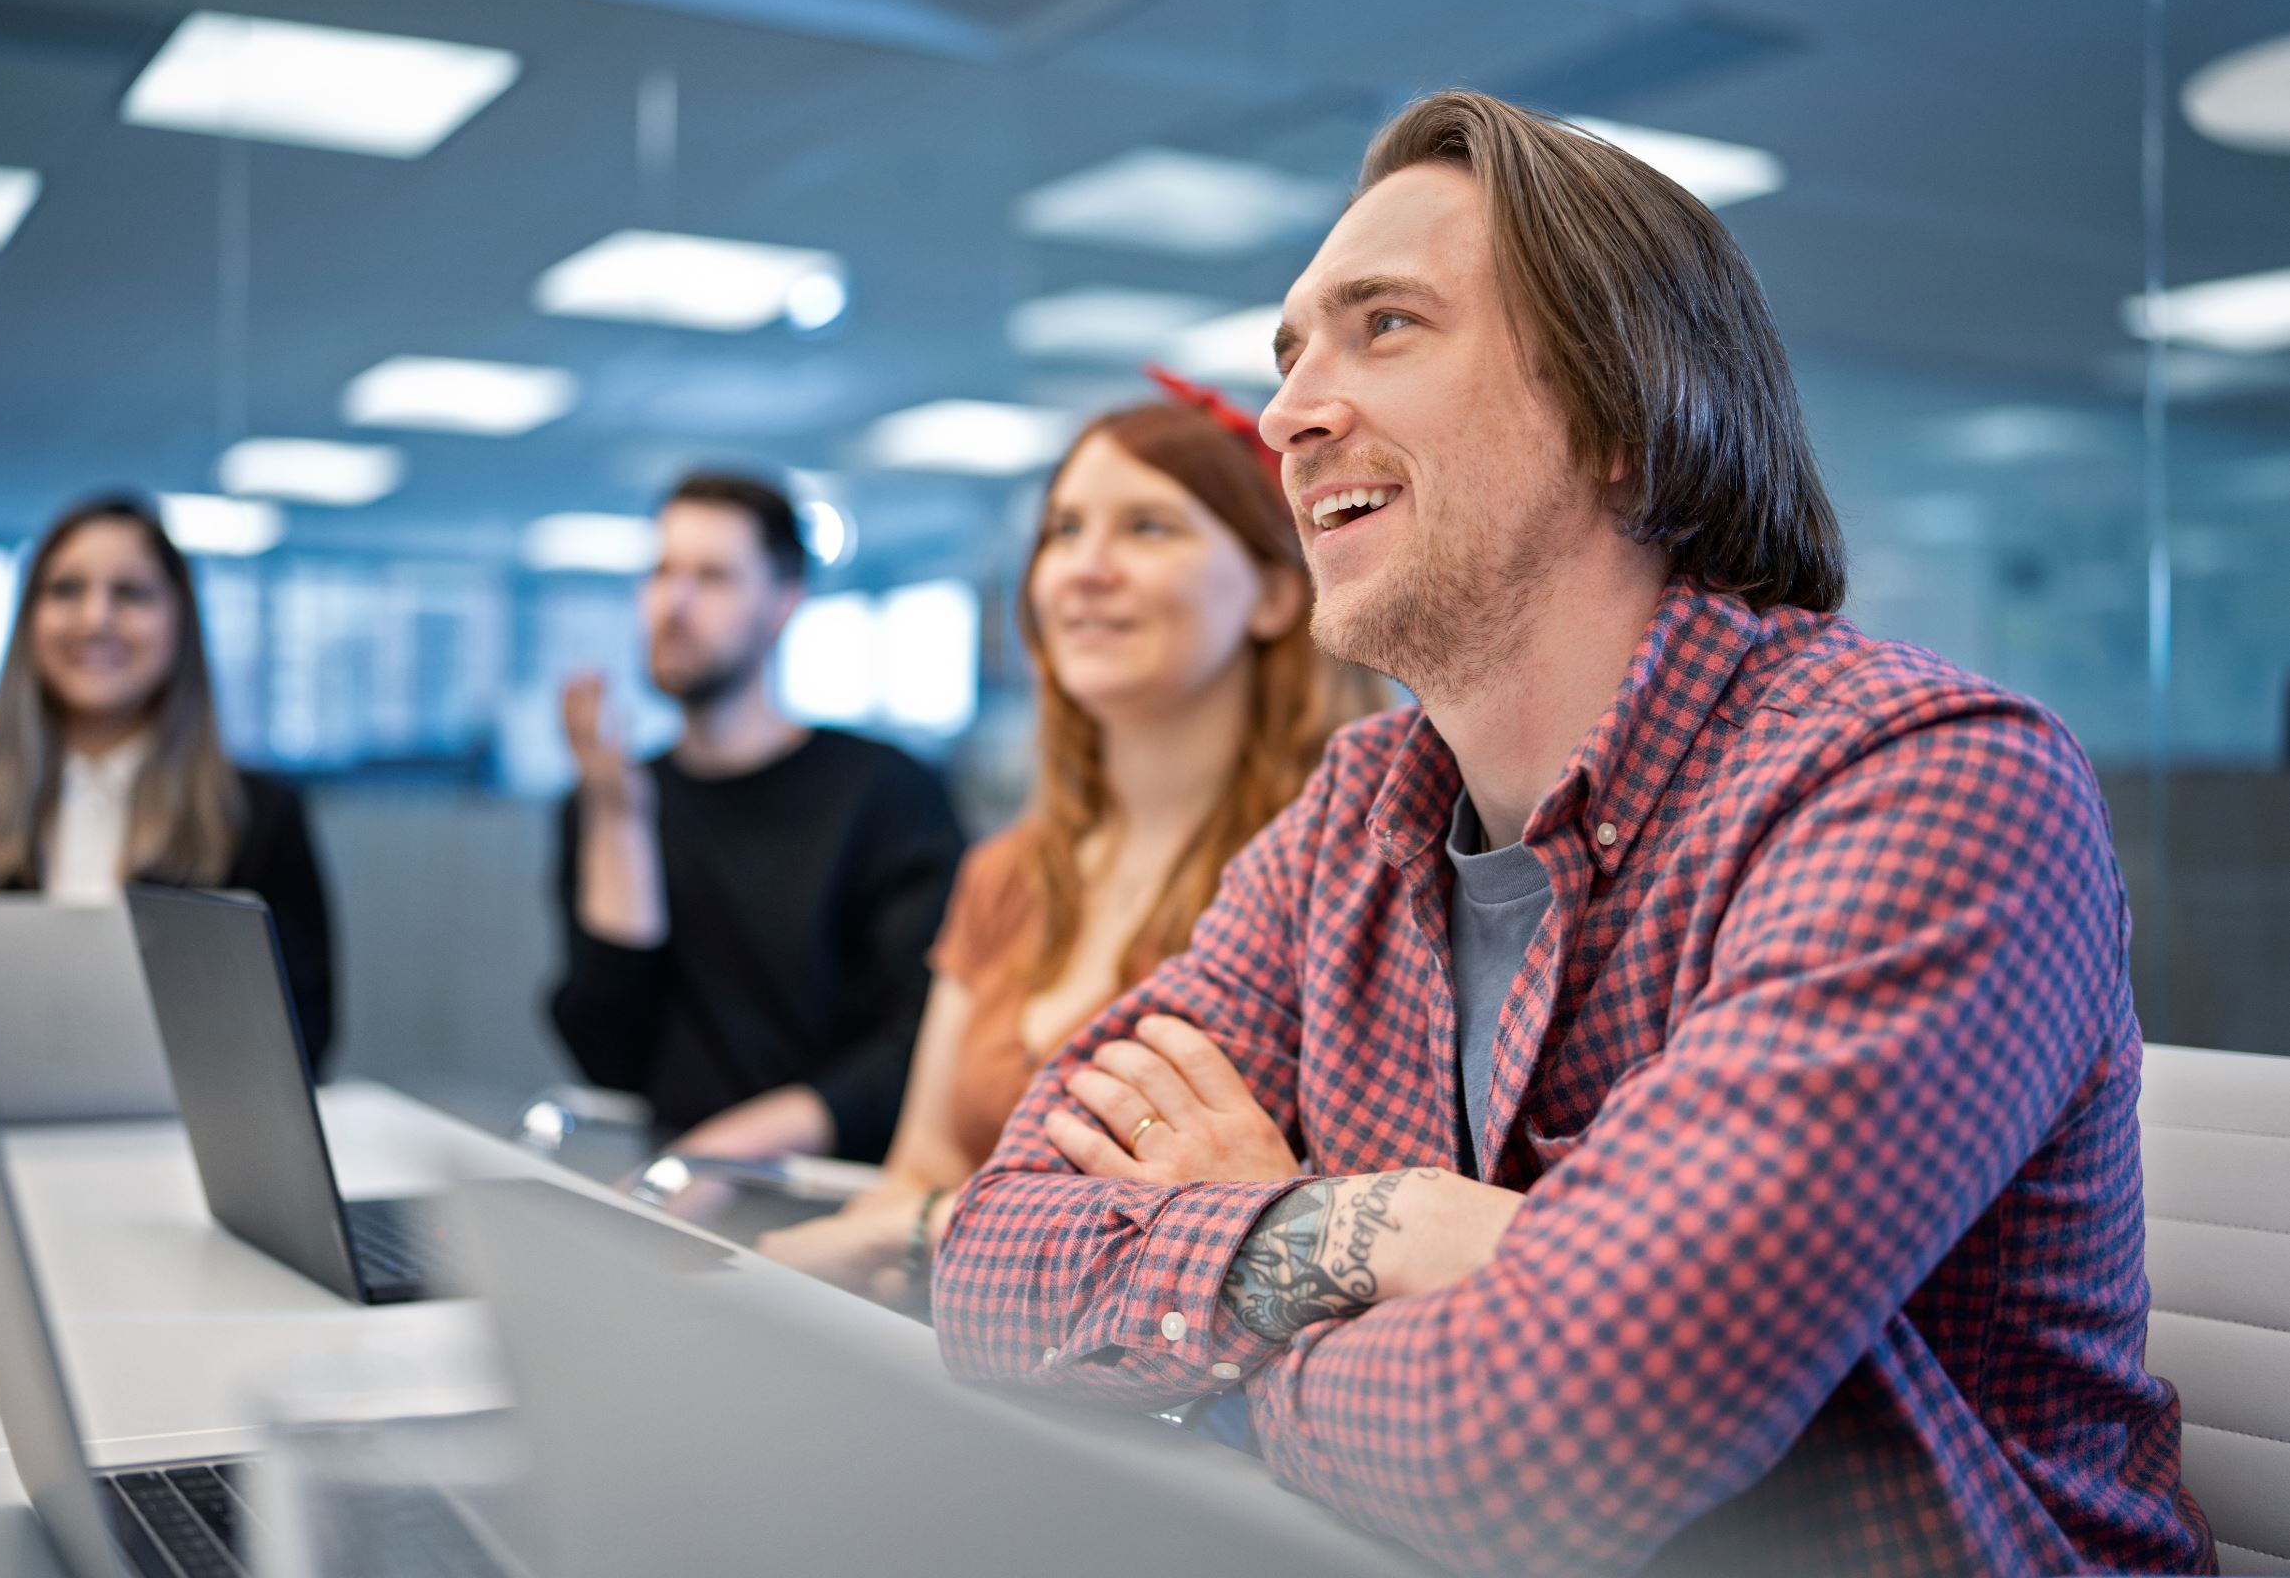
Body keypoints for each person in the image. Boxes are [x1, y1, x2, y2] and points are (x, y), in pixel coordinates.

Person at [931, 92, 2212, 1577]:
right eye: (1289, 355)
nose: (1287, 414)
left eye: (1385, 326)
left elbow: (1565, 1440)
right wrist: (1390, 1228)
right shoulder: (1354, 815)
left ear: (1619, 414)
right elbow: (990, 1263)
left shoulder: (1919, 785)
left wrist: (1225, 1327)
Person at [758, 385, 1383, 1299]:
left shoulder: (1327, 881)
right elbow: (917, 1167)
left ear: (1275, 592)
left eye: (1148, 528)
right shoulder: (1007, 875)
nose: (1085, 569)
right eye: (1062, 530)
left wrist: (922, 1231)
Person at [0, 495, 334, 1103]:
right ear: (30, 619)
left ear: (180, 621)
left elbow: (305, 1038)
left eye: (131, 593)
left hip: (182, 1163)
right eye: (65, 590)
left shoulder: (260, 817)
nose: (95, 618)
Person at [549, 473, 964, 1164]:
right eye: (661, 572)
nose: (673, 603)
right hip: (671, 1195)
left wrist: (725, 1154)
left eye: (713, 577)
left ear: (782, 603)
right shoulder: (609, 800)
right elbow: (611, 1057)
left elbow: (919, 1048)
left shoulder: (884, 792)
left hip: (833, 1197)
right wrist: (618, 826)